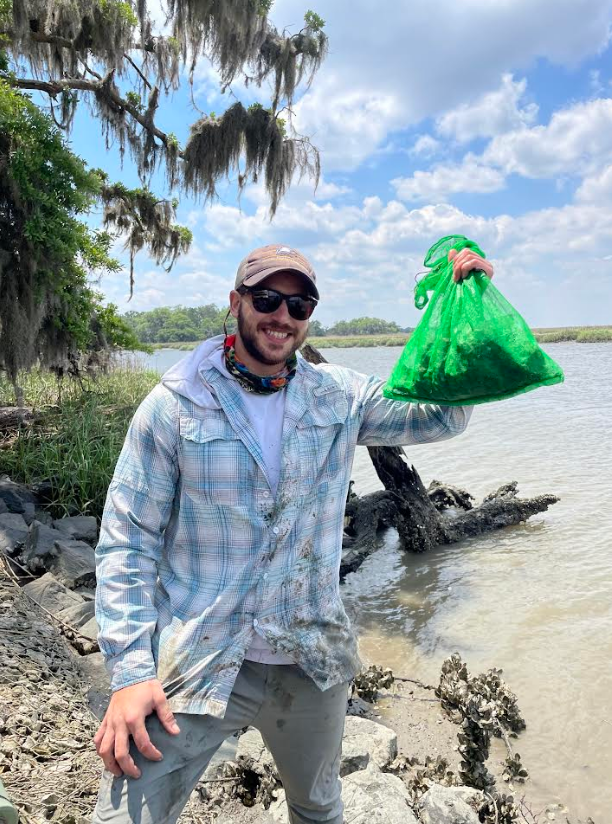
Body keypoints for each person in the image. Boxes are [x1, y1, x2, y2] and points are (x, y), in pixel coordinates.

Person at [92, 243, 494, 824]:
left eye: (299, 304)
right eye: (267, 299)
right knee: (122, 816)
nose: (282, 315)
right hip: (200, 654)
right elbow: (127, 540)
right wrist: (129, 673)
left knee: (318, 810)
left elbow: (442, 414)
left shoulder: (340, 394)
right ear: (236, 303)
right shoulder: (175, 403)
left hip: (310, 656)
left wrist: (461, 308)